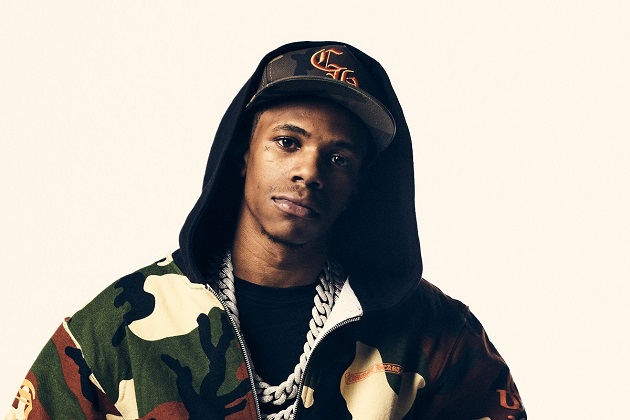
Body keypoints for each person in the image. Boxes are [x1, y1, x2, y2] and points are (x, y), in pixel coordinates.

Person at [6, 41, 526, 420]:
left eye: (339, 158)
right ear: (242, 154)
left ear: (359, 186)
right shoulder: (113, 333)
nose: (309, 171)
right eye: (287, 142)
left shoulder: (437, 337)